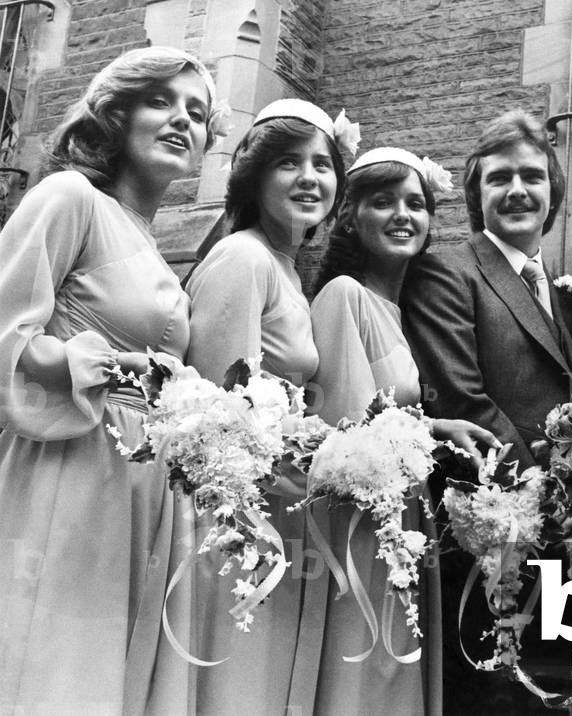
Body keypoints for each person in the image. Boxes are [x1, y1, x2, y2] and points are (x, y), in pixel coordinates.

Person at [0, 46, 227, 713]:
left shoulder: (153, 245)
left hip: (140, 490)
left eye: (198, 112)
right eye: (161, 101)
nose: (182, 120)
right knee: (47, 664)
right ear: (117, 113)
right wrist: (92, 362)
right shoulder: (71, 199)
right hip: (65, 471)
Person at [401, 110, 572, 712]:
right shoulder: (447, 272)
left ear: (553, 192)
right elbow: (462, 399)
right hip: (495, 533)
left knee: (555, 691)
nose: (518, 190)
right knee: (496, 697)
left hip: (566, 541)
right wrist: (552, 493)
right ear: (475, 194)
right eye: (499, 178)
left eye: (532, 177)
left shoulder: (559, 292)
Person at [309, 146, 499, 716]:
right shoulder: (346, 295)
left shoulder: (398, 308)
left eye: (415, 204)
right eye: (382, 201)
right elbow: (352, 434)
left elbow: (383, 412)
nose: (402, 215)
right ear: (349, 215)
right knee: (368, 667)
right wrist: (427, 433)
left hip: (405, 515)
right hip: (363, 523)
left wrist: (435, 424)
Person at [184, 98, 348, 714]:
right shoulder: (244, 257)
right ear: (255, 177)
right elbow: (219, 412)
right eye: (288, 163)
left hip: (276, 504)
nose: (310, 178)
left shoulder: (284, 267)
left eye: (323, 164)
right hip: (238, 514)